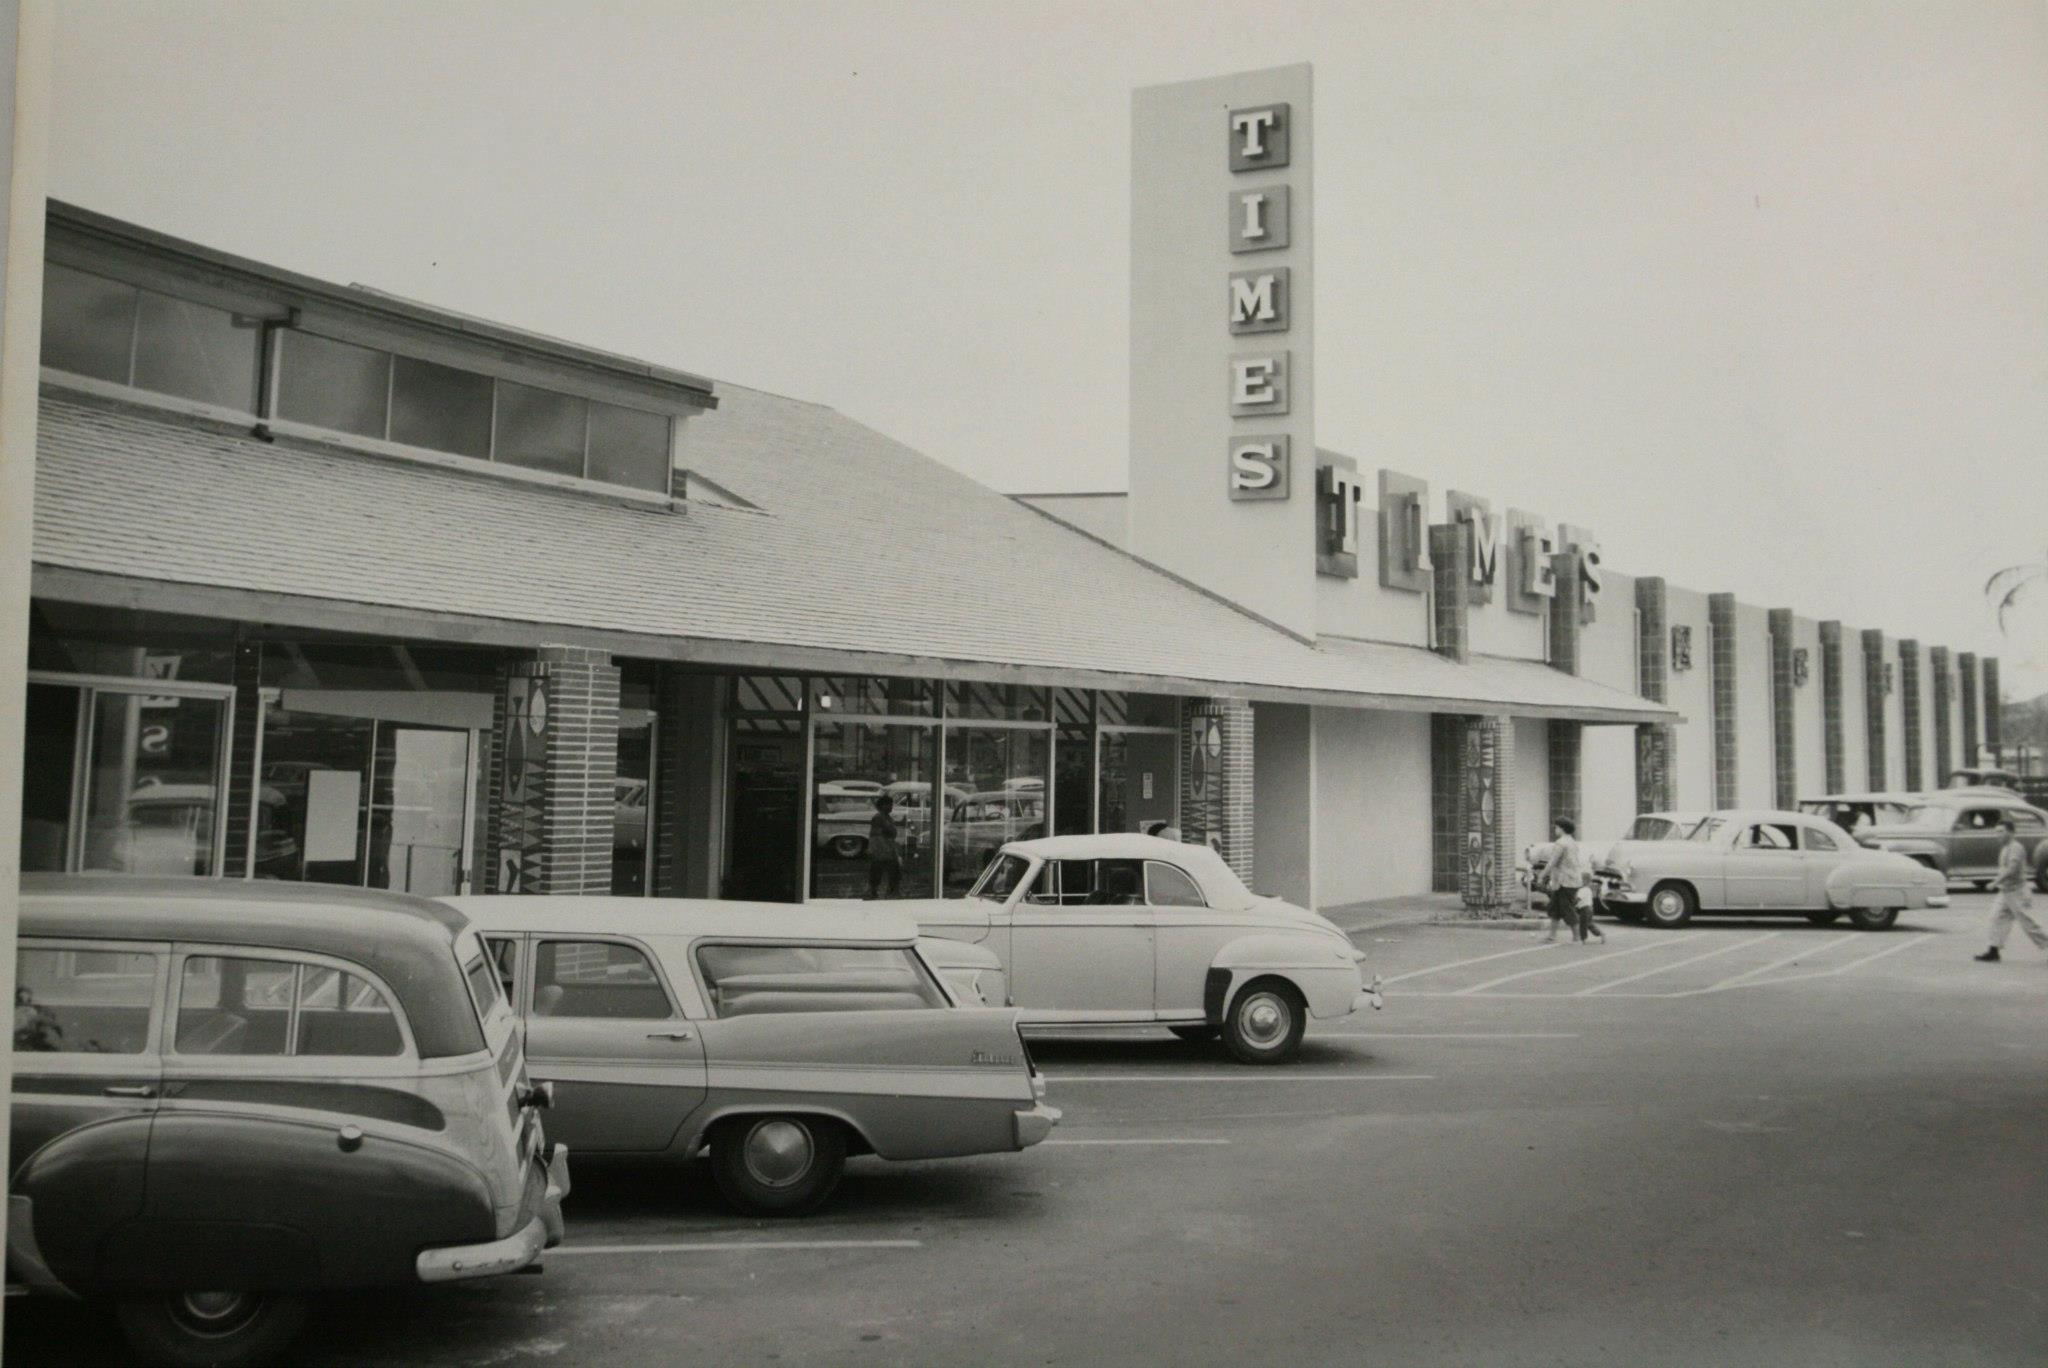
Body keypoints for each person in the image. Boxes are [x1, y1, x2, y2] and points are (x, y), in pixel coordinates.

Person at [1974, 816, 2046, 962]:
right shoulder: (2005, 848)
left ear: (2011, 832)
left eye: (2001, 832)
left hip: (2017, 892)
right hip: (2006, 892)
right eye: (1997, 832)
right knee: (1996, 919)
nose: (1998, 835)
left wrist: (1995, 882)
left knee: (2029, 924)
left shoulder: (2016, 848)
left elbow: (2012, 869)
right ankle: (1993, 950)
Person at [866, 794, 902, 899]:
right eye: (889, 805)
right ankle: (874, 891)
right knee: (878, 871)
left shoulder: (887, 818)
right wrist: (881, 850)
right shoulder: (878, 818)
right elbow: (876, 836)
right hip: (881, 848)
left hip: (888, 847)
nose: (891, 807)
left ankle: (891, 891)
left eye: (891, 805)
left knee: (894, 871)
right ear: (882, 805)